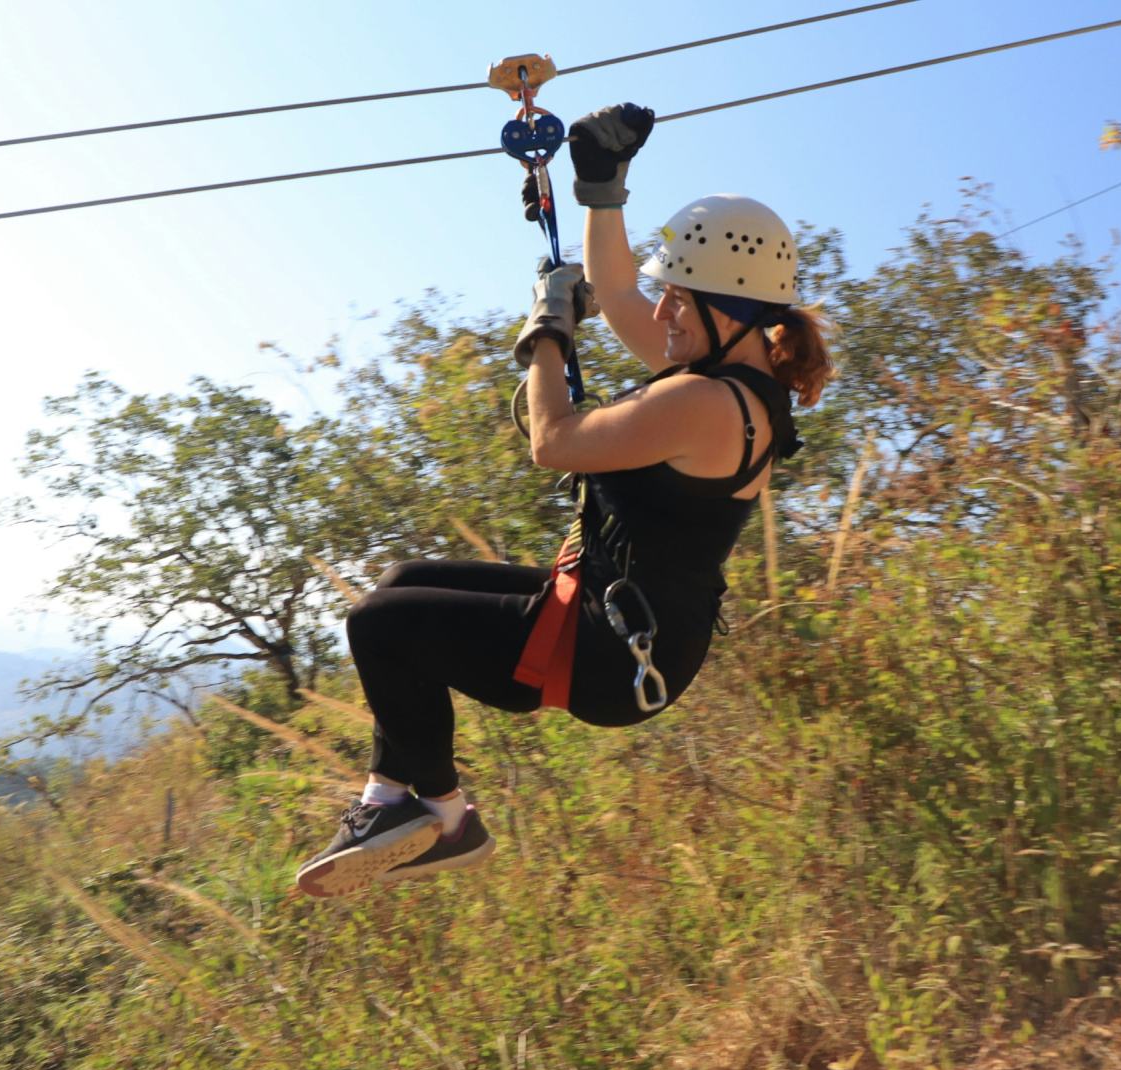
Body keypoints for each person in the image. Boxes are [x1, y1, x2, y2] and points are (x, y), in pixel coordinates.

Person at [295, 103, 836, 898]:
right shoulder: (733, 378)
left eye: (677, 301)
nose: (659, 315)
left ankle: (439, 816)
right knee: (403, 583)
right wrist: (601, 188)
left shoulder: (707, 405)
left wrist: (546, 332)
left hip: (614, 655)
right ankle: (394, 800)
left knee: (379, 625)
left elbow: (553, 440)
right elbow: (617, 292)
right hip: (615, 619)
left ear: (731, 310)